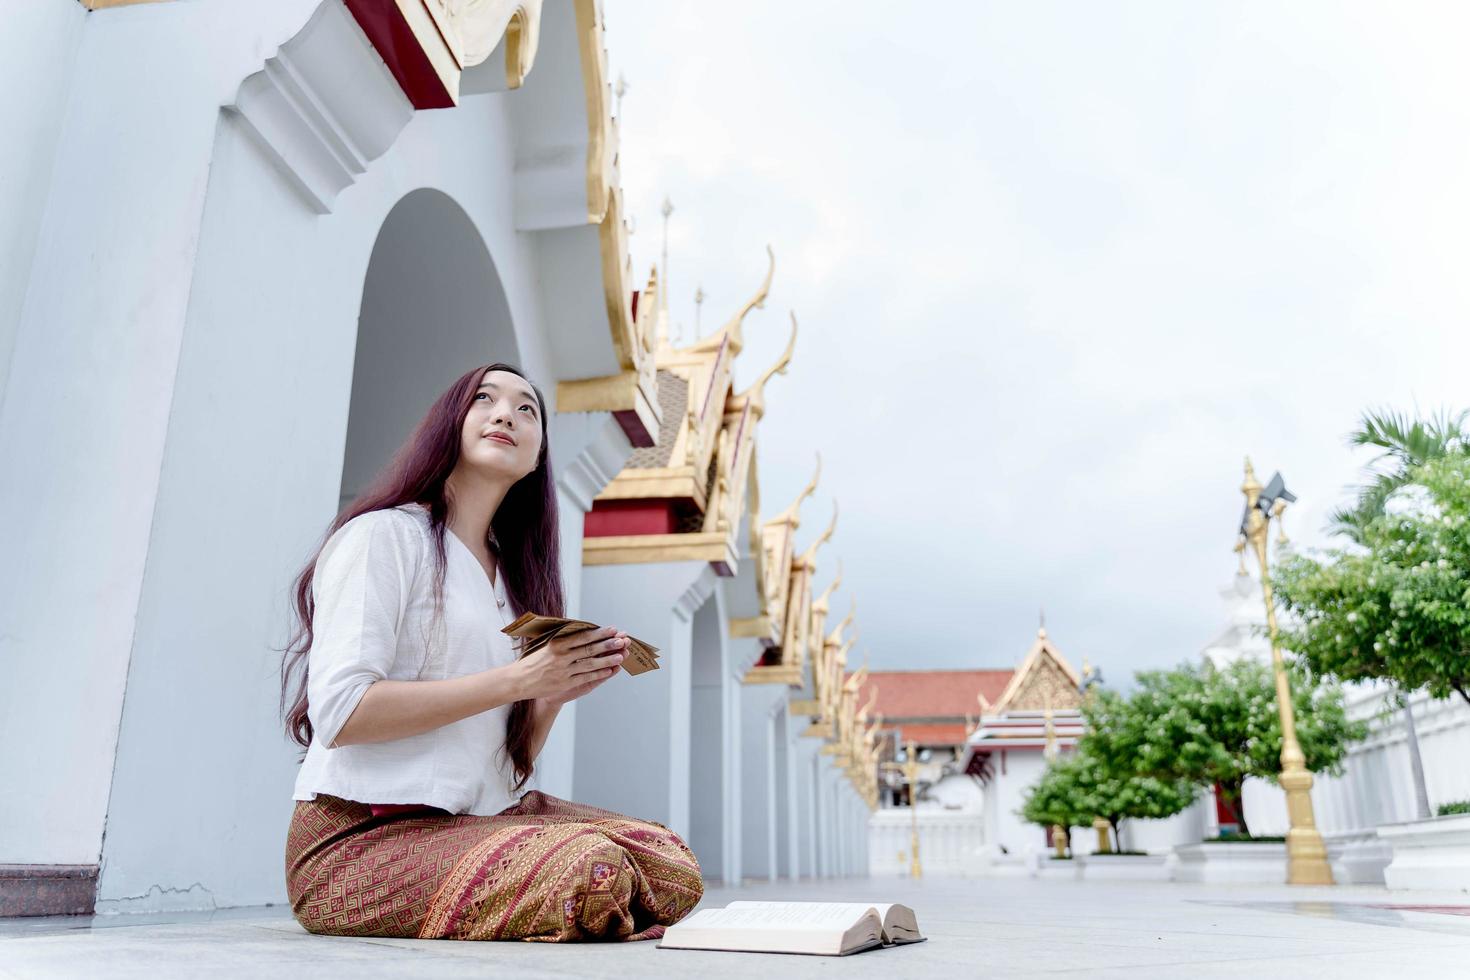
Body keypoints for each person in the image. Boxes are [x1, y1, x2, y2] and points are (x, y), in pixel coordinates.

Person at [278, 362, 703, 941]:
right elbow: (342, 713)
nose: (507, 413)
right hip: (357, 845)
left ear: (537, 456)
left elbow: (509, 768)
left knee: (668, 861)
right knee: (594, 871)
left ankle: (581, 900)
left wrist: (551, 693)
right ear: (449, 423)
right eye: (485, 398)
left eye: (527, 409)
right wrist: (516, 681)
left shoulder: (514, 583)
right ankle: (583, 898)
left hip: (477, 823)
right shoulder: (384, 537)